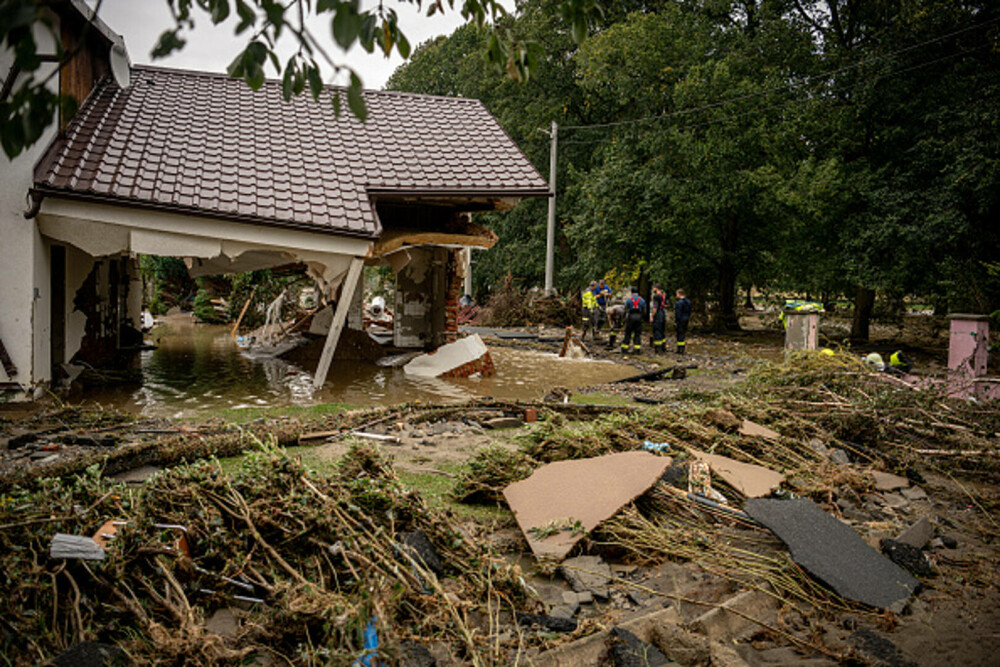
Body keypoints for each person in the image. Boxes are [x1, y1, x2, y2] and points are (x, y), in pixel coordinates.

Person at [621, 286, 646, 354]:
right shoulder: (642, 300)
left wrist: (623, 319)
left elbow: (625, 309)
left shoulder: (629, 299)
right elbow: (644, 310)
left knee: (628, 333)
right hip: (639, 317)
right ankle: (637, 350)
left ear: (631, 292)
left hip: (631, 317)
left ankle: (624, 349)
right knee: (637, 334)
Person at [650, 284, 668, 354]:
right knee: (662, 331)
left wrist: (652, 316)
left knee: (657, 331)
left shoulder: (656, 296)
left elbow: (655, 308)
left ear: (656, 288)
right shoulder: (663, 295)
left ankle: (658, 349)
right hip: (663, 313)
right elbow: (667, 305)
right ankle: (663, 347)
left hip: (658, 314)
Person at [674, 288, 691, 354]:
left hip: (681, 319)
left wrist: (676, 321)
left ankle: (680, 349)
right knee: (683, 333)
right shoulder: (688, 301)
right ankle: (682, 348)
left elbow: (678, 313)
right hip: (686, 318)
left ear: (679, 294)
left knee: (679, 334)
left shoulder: (679, 303)